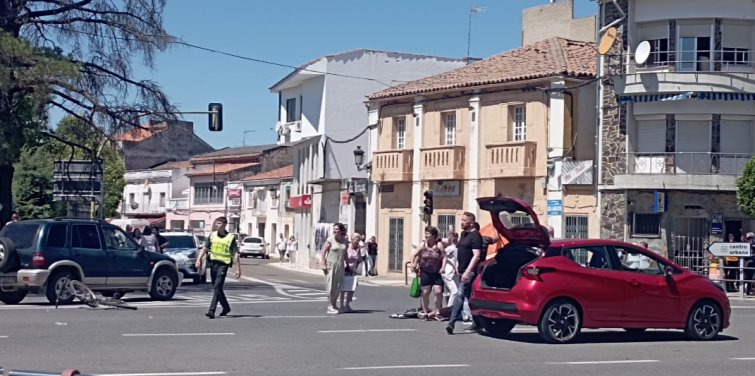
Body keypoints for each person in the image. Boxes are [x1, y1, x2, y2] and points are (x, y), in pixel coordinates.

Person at [195, 217, 241, 319]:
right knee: (216, 286)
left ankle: (212, 310)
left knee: (217, 286)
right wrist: (198, 259)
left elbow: (235, 253)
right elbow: (204, 248)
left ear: (225, 224)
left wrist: (238, 268)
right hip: (213, 263)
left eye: (219, 223)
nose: (217, 225)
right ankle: (226, 307)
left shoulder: (230, 237)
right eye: (216, 223)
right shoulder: (212, 235)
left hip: (223, 264)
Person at [446, 212, 483, 334]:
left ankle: (451, 322)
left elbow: (476, 256)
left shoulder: (476, 236)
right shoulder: (463, 234)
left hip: (469, 271)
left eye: (464, 220)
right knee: (469, 297)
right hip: (461, 269)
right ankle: (478, 323)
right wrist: (457, 264)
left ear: (471, 222)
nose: (461, 222)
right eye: (461, 220)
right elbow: (460, 250)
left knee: (460, 295)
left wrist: (468, 271)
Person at [412, 226, 446, 321]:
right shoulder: (423, 245)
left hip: (436, 271)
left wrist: (443, 267)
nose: (426, 235)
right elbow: (415, 254)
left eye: (428, 234)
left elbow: (444, 256)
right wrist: (413, 264)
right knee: (425, 292)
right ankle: (425, 312)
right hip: (425, 271)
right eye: (426, 233)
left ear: (434, 235)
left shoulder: (439, 245)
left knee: (438, 291)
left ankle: (437, 312)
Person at [321, 223, 349, 314]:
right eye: (334, 229)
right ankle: (330, 306)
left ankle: (334, 305)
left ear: (341, 230)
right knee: (331, 286)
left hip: (340, 265)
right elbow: (323, 251)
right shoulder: (330, 240)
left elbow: (345, 254)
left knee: (338, 286)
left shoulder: (345, 241)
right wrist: (323, 264)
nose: (334, 231)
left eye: (336, 229)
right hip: (331, 265)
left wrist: (348, 265)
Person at [341, 233, 362, 312]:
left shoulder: (357, 249)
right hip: (345, 269)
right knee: (343, 289)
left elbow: (360, 260)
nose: (358, 242)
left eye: (359, 240)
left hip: (353, 271)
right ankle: (342, 306)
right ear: (352, 239)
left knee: (351, 289)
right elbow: (343, 257)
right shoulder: (347, 247)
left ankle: (347, 305)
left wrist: (358, 251)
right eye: (357, 240)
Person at [441, 232, 460, 308]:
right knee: (454, 291)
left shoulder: (456, 248)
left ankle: (453, 308)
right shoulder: (450, 248)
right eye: (453, 237)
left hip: (453, 272)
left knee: (456, 291)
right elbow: (444, 255)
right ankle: (448, 310)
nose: (455, 238)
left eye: (456, 237)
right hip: (447, 272)